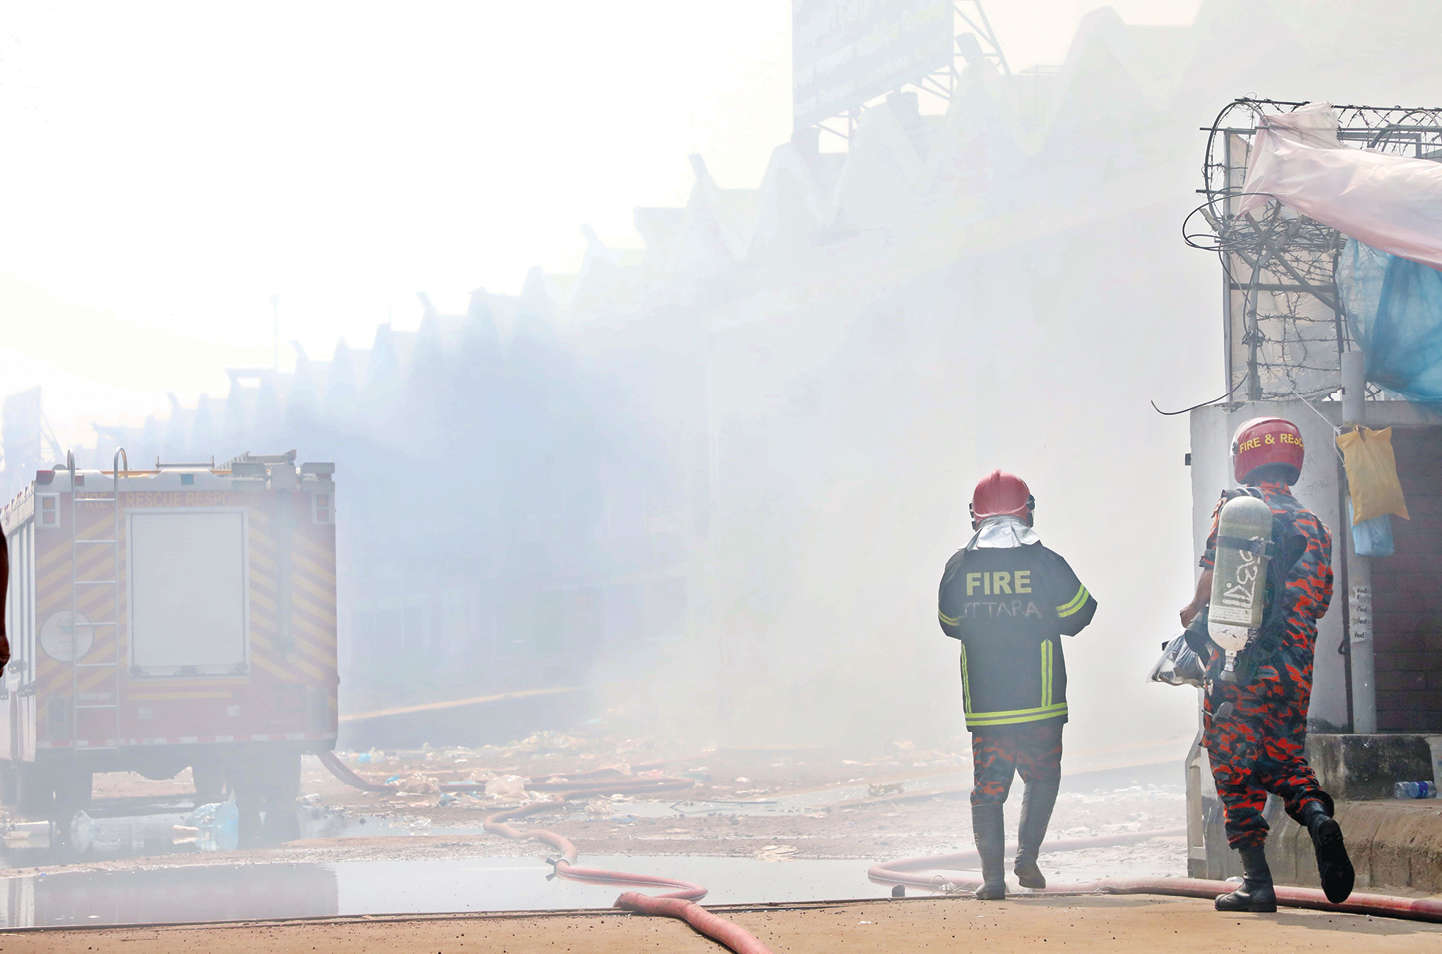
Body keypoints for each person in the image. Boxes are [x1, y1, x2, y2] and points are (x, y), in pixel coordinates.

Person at [1179, 416, 1353, 912]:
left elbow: (1212, 578)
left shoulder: (1237, 511)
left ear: (1244, 457)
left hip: (1239, 667)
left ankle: (1256, 883)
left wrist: (1191, 612)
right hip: (1296, 669)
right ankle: (1317, 817)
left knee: (1233, 767)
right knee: (1285, 759)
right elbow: (1321, 602)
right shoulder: (1316, 527)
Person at [938, 470, 1097, 900]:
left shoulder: (959, 566)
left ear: (975, 515)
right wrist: (1038, 616)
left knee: (988, 792)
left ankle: (992, 881)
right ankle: (1027, 856)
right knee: (1042, 777)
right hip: (1040, 701)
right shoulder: (1045, 562)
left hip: (988, 706)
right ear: (1027, 511)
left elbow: (949, 623)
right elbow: (1081, 614)